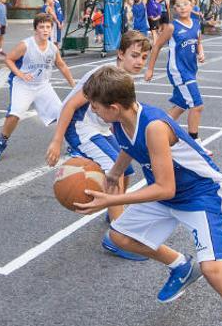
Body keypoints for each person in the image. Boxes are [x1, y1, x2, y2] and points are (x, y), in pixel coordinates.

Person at [75, 66, 222, 326]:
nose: (92, 110)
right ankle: (181, 266)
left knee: (213, 269)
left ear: (113, 106)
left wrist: (113, 199)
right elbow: (128, 146)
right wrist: (114, 173)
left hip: (199, 193)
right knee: (119, 235)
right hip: (168, 193)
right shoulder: (120, 120)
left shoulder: (155, 127)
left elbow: (164, 188)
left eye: (95, 106)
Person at [45, 31, 153, 245]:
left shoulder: (123, 78)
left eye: (143, 57)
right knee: (114, 167)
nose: (139, 61)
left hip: (99, 127)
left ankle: (114, 209)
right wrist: (57, 140)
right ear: (120, 54)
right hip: (79, 127)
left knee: (125, 167)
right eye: (134, 55)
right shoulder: (104, 76)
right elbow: (70, 105)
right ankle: (118, 236)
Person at [0, 14, 75, 162]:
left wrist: (73, 85)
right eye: (41, 27)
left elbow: (62, 65)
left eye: (48, 27)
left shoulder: (52, 48)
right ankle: (1, 143)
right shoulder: (25, 45)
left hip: (42, 86)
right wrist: (20, 74)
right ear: (35, 29)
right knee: (14, 114)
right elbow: (8, 59)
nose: (45, 30)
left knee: (63, 113)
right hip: (23, 85)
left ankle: (71, 144)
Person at [144, 0, 211, 157]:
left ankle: (155, 132)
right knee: (197, 106)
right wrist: (150, 69)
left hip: (191, 70)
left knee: (180, 106)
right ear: (174, 9)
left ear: (192, 5)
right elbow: (157, 46)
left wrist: (201, 53)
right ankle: (195, 142)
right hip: (178, 71)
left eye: (185, 4)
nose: (182, 7)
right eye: (178, 5)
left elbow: (199, 43)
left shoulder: (196, 25)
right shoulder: (172, 27)